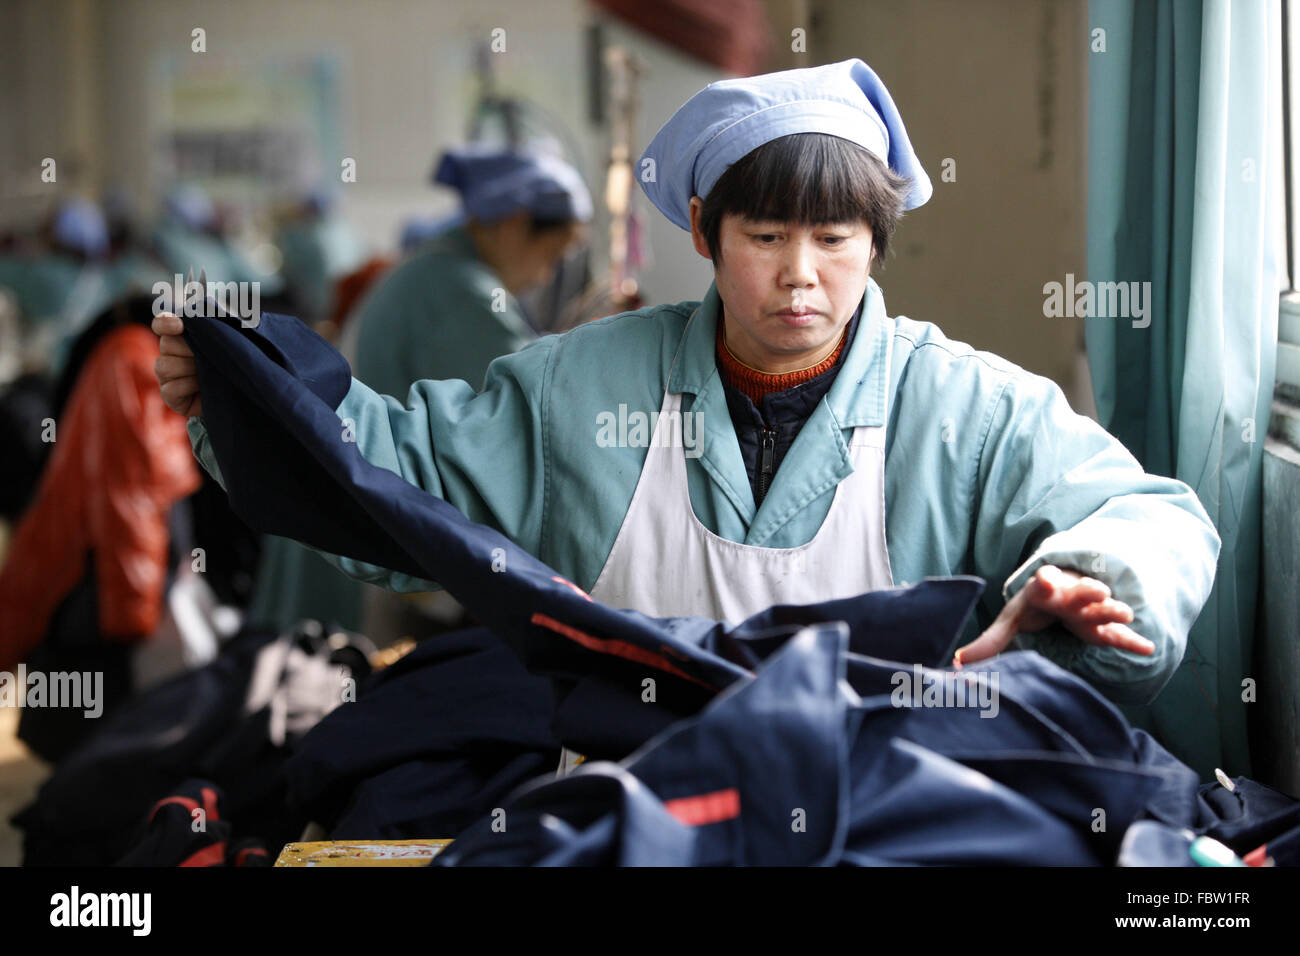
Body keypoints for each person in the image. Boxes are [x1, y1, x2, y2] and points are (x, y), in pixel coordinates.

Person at [154, 58, 1220, 706]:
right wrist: (239, 392)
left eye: (835, 237)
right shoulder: (580, 387)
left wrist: (1096, 575)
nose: (800, 274)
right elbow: (399, 468)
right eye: (763, 234)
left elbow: (1149, 512)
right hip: (630, 810)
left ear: (878, 242)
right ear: (704, 232)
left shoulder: (967, 413)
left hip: (883, 808)